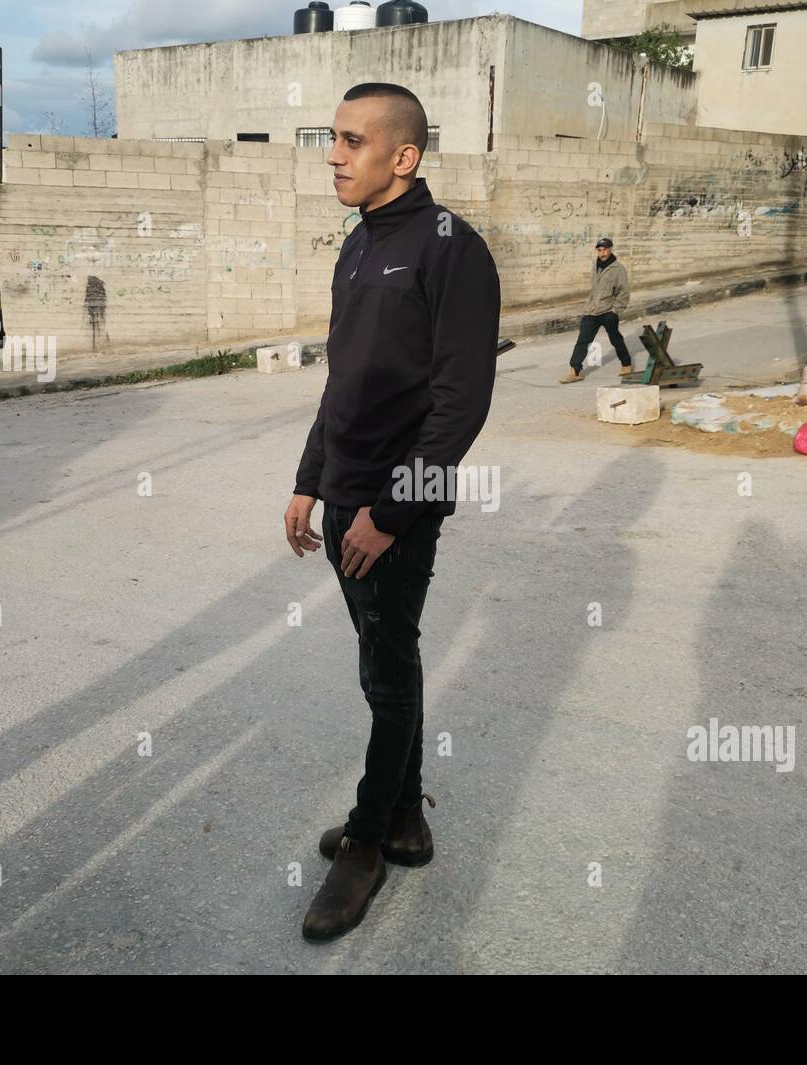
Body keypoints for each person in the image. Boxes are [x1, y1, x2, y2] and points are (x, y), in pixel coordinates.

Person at [284, 82, 501, 942]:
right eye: (331, 139)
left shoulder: (453, 249)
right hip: (344, 497)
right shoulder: (356, 244)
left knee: (386, 671)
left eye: (350, 140)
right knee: (386, 655)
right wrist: (310, 480)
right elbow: (343, 382)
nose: (333, 154)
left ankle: (369, 841)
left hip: (392, 512)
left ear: (402, 157)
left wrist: (389, 511)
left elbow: (460, 404)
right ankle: (406, 817)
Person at [559, 237, 633, 383]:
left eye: (605, 249)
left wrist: (616, 310)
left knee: (615, 339)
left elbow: (624, 292)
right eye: (600, 250)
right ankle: (575, 371)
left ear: (610, 249)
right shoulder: (595, 266)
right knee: (582, 341)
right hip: (591, 311)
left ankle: (626, 363)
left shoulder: (618, 269)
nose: (602, 252)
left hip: (608, 311)